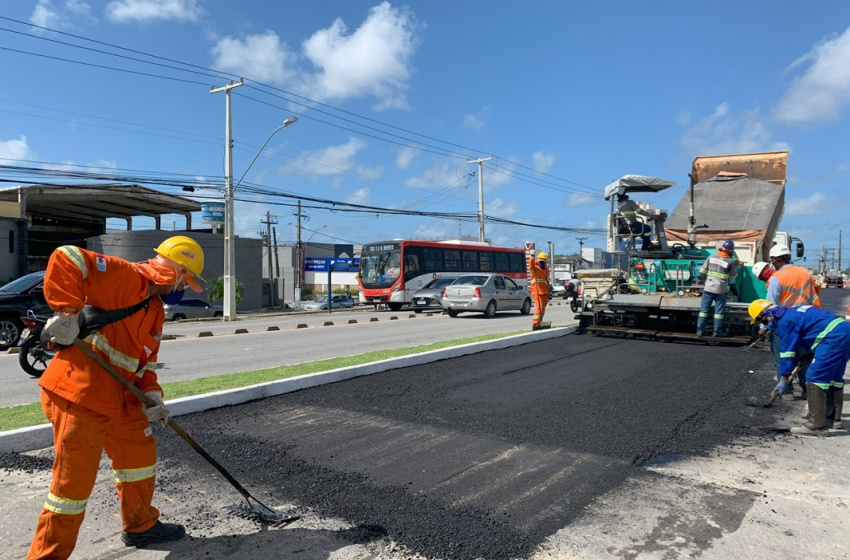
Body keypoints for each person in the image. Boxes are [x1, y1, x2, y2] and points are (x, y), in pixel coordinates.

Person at [27, 236, 205, 559]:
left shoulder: (155, 311)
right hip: (80, 393)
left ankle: (140, 524)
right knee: (71, 488)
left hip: (120, 397)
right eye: (185, 280)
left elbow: (146, 363)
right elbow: (66, 256)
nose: (182, 289)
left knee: (140, 452)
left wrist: (152, 396)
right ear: (176, 274)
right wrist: (66, 312)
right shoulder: (125, 276)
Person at [748, 299, 848, 436]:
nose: (765, 324)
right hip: (844, 332)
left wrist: (783, 379)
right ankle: (832, 419)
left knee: (815, 377)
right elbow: (813, 331)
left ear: (767, 314)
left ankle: (816, 425)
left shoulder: (784, 322)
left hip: (832, 338)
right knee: (834, 377)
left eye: (763, 321)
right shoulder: (792, 313)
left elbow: (787, 354)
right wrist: (807, 356)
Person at [757, 244, 821, 397]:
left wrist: (763, 327)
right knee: (805, 357)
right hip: (805, 321)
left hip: (785, 324)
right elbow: (812, 296)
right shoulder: (804, 272)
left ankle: (786, 389)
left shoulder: (776, 278)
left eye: (773, 261)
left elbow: (771, 306)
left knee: (783, 355)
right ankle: (808, 389)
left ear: (775, 260)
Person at [696, 240, 738, 337]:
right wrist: (736, 265)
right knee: (718, 313)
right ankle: (716, 332)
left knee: (703, 311)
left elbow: (702, 271)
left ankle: (700, 331)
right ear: (731, 250)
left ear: (722, 248)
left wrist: (699, 279)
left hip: (709, 287)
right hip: (721, 289)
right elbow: (734, 276)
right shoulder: (730, 261)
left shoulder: (711, 257)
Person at [529, 251, 551, 330]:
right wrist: (532, 255)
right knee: (539, 308)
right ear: (538, 261)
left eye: (543, 262)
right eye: (540, 261)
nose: (542, 263)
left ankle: (540, 322)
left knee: (543, 308)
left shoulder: (546, 270)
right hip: (537, 291)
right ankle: (535, 324)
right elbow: (531, 265)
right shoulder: (535, 268)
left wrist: (549, 291)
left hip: (544, 292)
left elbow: (546, 281)